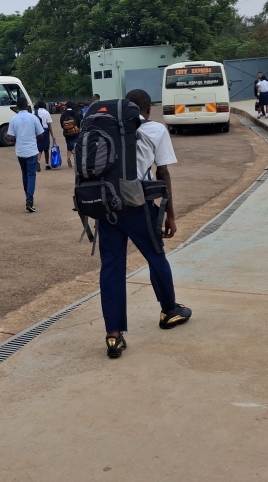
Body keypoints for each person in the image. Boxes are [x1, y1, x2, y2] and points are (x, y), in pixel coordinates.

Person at [99, 90, 191, 360]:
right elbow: (162, 172)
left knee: (111, 267)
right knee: (155, 256)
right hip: (138, 206)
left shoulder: (105, 129)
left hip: (106, 205)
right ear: (147, 108)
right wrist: (170, 215)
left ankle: (113, 335)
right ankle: (169, 311)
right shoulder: (155, 130)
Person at [6, 96, 44, 212]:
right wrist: (32, 138)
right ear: (27, 106)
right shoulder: (33, 118)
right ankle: (29, 200)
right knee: (31, 175)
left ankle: (28, 197)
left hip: (20, 151)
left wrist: (14, 138)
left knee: (24, 175)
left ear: (17, 107)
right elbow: (41, 135)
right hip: (32, 150)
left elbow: (11, 137)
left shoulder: (13, 119)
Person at [59, 101, 82, 168]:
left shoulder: (63, 114)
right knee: (76, 145)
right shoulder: (76, 113)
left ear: (66, 106)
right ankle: (76, 161)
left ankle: (68, 158)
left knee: (69, 146)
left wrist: (66, 128)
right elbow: (79, 122)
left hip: (67, 132)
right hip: (75, 131)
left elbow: (61, 123)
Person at [35, 100, 56, 171]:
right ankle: (47, 164)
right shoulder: (46, 113)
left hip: (37, 131)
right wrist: (52, 135)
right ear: (44, 105)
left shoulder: (34, 112)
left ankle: (38, 161)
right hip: (45, 131)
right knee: (46, 149)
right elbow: (49, 124)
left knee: (39, 148)